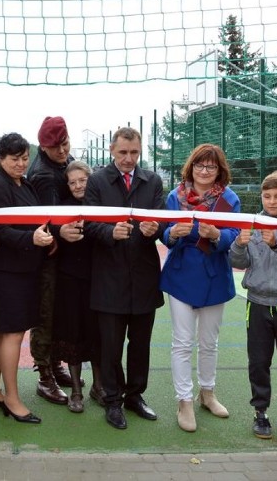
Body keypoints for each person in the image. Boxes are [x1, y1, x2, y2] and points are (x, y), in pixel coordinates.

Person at [83, 127, 165, 430]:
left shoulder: (153, 180)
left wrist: (152, 230)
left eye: (134, 152)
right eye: (123, 153)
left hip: (143, 277)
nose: (129, 159)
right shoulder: (97, 181)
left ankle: (135, 395)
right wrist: (109, 232)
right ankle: (113, 400)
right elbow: (88, 224)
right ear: (111, 150)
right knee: (111, 346)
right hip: (108, 277)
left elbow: (161, 222)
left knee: (140, 344)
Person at [160, 143, 240, 433]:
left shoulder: (229, 199)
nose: (204, 171)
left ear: (219, 170)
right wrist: (172, 233)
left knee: (209, 341)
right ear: (190, 166)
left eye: (211, 166)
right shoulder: (175, 196)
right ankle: (184, 401)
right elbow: (164, 231)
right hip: (181, 275)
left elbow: (234, 233)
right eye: (199, 165)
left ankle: (208, 393)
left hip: (214, 275)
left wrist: (218, 235)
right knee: (182, 342)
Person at [0, 133, 56, 425]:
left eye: (25, 158)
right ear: (0, 159)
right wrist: (31, 238)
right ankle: (11, 397)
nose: (21, 164)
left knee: (4, 332)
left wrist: (45, 236)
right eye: (14, 159)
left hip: (24, 270)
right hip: (6, 273)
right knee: (12, 332)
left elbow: (37, 218)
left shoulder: (26, 183)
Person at [230, 171, 277, 439]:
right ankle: (261, 413)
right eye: (267, 196)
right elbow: (239, 262)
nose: (272, 201)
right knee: (258, 362)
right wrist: (238, 243)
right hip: (256, 305)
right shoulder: (252, 223)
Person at [26, 116, 75, 405]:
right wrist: (60, 230)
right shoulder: (42, 174)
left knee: (59, 312)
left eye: (65, 144)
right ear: (43, 147)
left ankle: (55, 365)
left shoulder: (65, 162)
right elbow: (48, 217)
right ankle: (44, 376)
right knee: (44, 314)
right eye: (55, 147)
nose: (62, 151)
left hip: (66, 254)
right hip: (48, 255)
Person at [52, 160, 101, 413]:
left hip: (98, 278)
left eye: (82, 180)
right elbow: (49, 227)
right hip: (70, 279)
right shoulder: (61, 208)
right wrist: (60, 230)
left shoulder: (101, 205)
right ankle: (76, 390)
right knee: (73, 334)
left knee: (98, 334)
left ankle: (99, 386)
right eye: (72, 182)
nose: (78, 185)